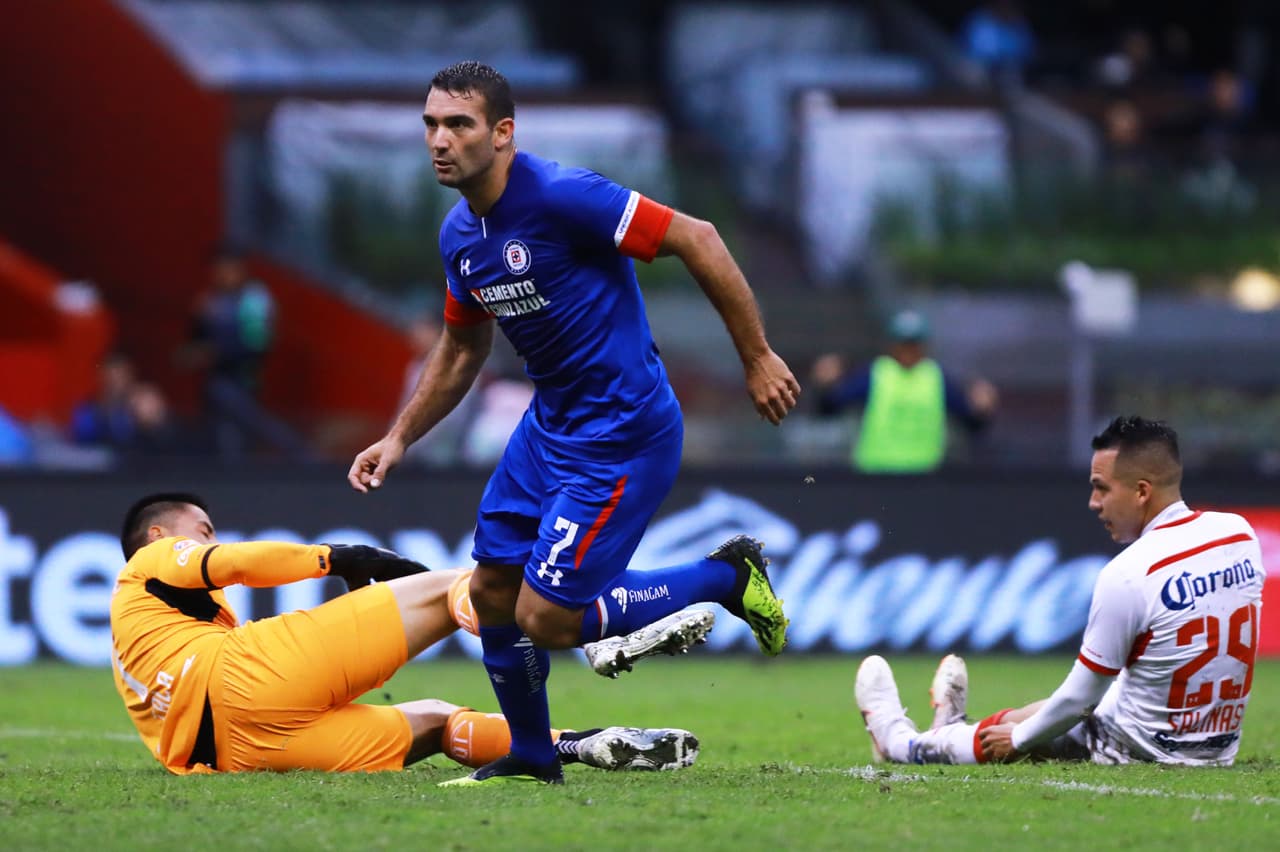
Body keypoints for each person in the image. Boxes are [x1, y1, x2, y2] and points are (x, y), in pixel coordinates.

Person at [347, 61, 800, 785]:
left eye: (458, 124)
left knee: (548, 621)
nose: (439, 139)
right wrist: (400, 436)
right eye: (430, 124)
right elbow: (465, 346)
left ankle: (723, 576)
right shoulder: (459, 235)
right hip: (547, 430)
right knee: (491, 591)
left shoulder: (563, 196)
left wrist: (756, 356)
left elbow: (700, 237)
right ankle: (532, 755)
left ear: (502, 134)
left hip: (622, 433)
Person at [110, 492, 701, 775]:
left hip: (242, 754)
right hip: (246, 675)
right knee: (462, 588)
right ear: (162, 534)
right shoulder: (149, 562)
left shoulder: (138, 635)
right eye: (202, 529)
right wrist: (337, 556)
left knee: (440, 723)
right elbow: (234, 563)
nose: (209, 538)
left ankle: (583, 742)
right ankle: (587, 633)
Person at [855, 416, 1265, 767]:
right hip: (1215, 748)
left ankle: (898, 743)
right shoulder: (1239, 533)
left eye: (1101, 487)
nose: (1092, 502)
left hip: (1140, 748)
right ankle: (950, 729)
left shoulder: (1128, 573)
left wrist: (1017, 740)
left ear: (1141, 491)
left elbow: (1079, 698)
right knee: (1089, 702)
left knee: (1036, 728)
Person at [811, 310, 997, 474]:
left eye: (913, 344)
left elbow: (972, 423)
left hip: (922, 475)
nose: (909, 350)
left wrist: (983, 409)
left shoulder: (936, 378)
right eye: (904, 343)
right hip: (876, 472)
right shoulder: (876, 374)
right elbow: (830, 408)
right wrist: (824, 386)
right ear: (893, 345)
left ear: (923, 346)